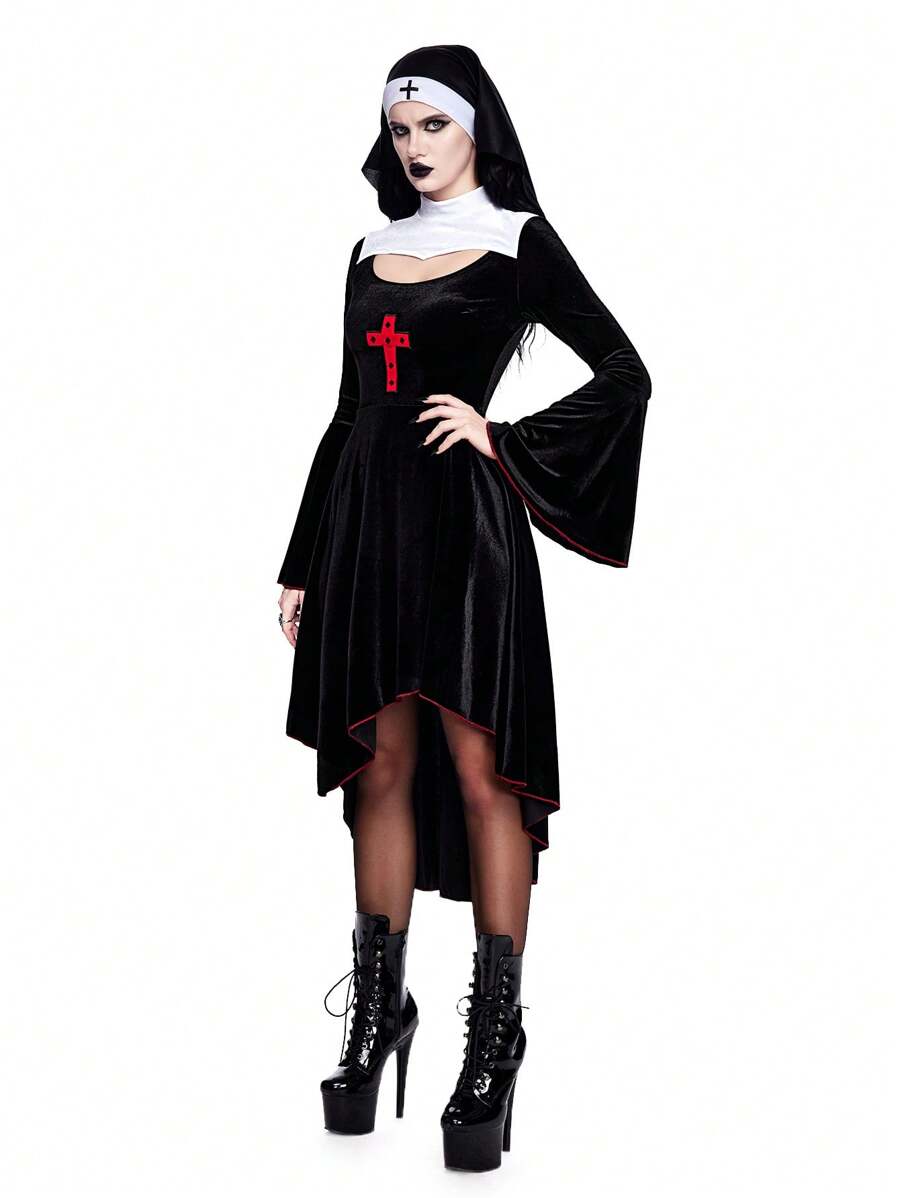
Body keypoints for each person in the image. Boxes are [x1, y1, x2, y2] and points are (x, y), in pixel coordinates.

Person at [276, 44, 652, 1170]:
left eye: (432, 125)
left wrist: (501, 438)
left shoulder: (518, 241)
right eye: (399, 131)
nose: (414, 147)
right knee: (380, 768)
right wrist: (301, 559)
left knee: (487, 775)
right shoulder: (366, 251)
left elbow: (624, 372)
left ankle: (494, 1041)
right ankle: (377, 1012)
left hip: (467, 537)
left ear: (477, 126)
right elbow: (347, 410)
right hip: (363, 532)